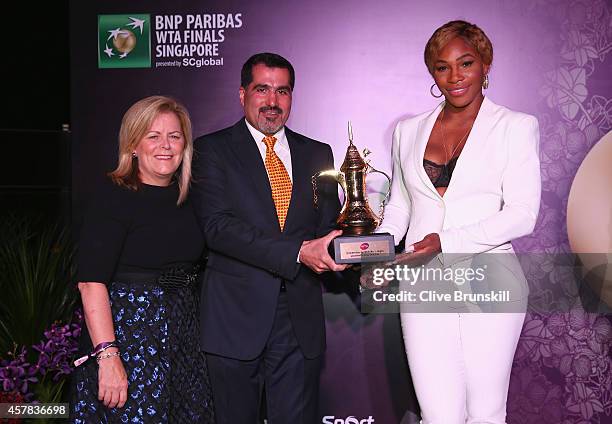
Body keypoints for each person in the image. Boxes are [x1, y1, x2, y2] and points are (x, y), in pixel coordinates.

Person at [375, 21, 541, 423]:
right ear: (432, 73)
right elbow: (400, 207)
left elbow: (523, 214)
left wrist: (444, 243)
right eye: (442, 67)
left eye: (465, 63)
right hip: (422, 284)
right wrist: (374, 249)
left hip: (491, 280)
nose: (455, 77)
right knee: (438, 414)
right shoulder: (408, 131)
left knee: (485, 413)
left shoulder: (515, 126)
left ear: (485, 64)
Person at [191, 52, 347, 423]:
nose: (273, 102)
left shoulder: (317, 153)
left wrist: (356, 255)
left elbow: (326, 227)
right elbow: (218, 228)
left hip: (298, 319)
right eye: (262, 90)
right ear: (242, 93)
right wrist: (297, 251)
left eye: (283, 91)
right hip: (235, 319)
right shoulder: (211, 150)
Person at [70, 96, 215, 423]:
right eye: (153, 136)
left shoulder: (192, 198)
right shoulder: (114, 196)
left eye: (174, 136)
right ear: (133, 145)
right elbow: (91, 283)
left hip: (184, 342)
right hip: (129, 341)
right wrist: (107, 357)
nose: (165, 145)